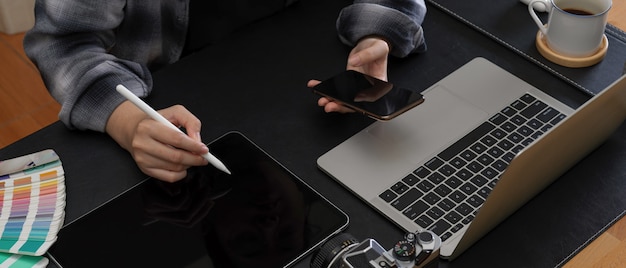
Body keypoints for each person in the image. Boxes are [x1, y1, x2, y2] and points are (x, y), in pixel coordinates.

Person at [23, 0, 427, 183]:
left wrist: (378, 34)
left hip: (293, 79)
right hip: (178, 101)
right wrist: (126, 120)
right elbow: (62, 45)